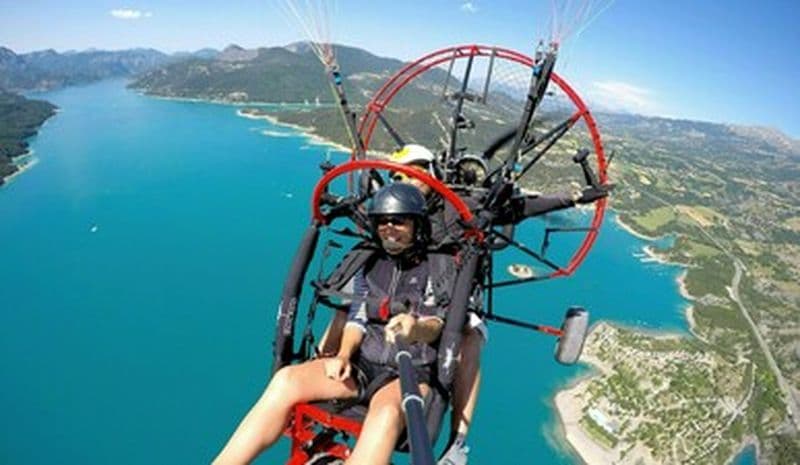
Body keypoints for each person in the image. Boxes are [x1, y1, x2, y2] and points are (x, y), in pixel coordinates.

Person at [213, 183, 454, 465]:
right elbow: (357, 318)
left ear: (417, 225)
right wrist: (342, 355)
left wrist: (414, 328)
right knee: (286, 380)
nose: (389, 228)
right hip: (363, 367)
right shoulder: (369, 263)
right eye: (382, 222)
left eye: (398, 221)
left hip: (411, 371)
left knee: (385, 414)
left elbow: (438, 323)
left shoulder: (436, 266)